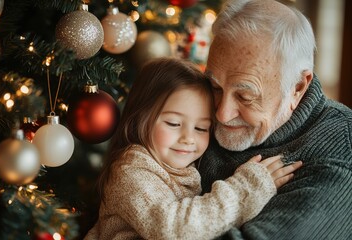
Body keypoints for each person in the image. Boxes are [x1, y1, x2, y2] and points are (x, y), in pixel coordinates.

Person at [84, 57, 302, 240]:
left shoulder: (182, 166)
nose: (189, 138)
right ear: (140, 118)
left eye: (201, 128)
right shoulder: (130, 172)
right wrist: (244, 190)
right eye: (173, 124)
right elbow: (173, 229)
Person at [199, 0, 352, 239]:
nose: (221, 114)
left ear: (298, 87)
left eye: (245, 96)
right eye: (215, 87)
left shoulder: (339, 154)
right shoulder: (189, 106)